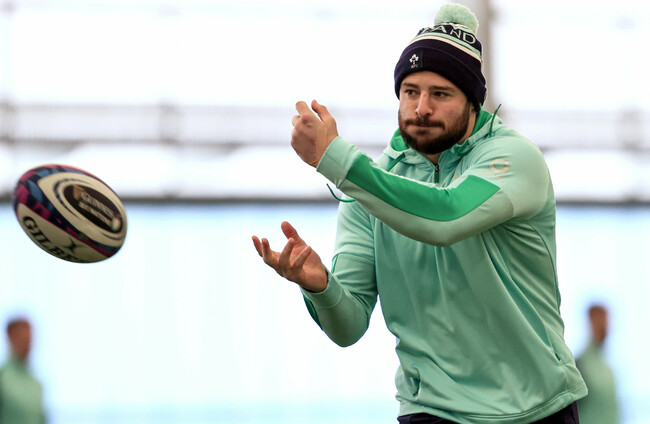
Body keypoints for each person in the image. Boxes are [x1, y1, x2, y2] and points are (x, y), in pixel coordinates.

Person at [252, 3, 586, 423]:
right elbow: (348, 327)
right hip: (431, 411)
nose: (421, 108)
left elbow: (445, 216)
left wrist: (336, 161)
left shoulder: (513, 158)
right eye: (410, 92)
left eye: (440, 94)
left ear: (472, 102)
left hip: (536, 410)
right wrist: (321, 288)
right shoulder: (370, 186)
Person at [575, 304, 619, 424]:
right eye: (599, 320)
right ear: (590, 322)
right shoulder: (579, 365)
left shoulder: (608, 370)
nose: (604, 326)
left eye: (606, 320)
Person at [0, 317, 46, 424]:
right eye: (22, 339)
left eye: (29, 340)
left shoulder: (36, 383)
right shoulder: (3, 380)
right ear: (10, 338)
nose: (27, 345)